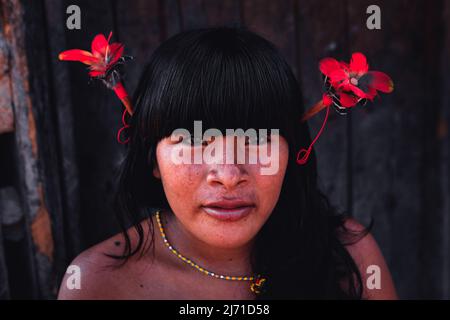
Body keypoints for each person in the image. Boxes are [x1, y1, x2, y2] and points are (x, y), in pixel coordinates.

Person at [58, 27, 397, 300]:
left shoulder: (349, 255)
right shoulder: (96, 285)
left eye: (255, 140)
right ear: (154, 159)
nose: (229, 176)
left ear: (292, 153)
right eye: (193, 142)